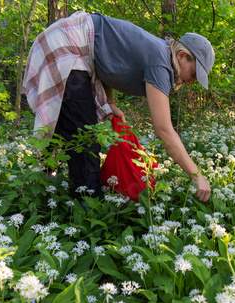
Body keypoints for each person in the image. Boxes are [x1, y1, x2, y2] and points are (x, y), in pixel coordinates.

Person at [22, 11, 214, 202]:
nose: (192, 81)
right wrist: (196, 175)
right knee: (85, 135)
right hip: (67, 44)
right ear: (181, 56)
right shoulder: (161, 64)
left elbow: (111, 66)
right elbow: (164, 130)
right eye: (195, 74)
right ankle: (87, 208)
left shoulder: (159, 54)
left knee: (70, 123)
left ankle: (47, 189)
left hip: (67, 40)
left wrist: (110, 103)